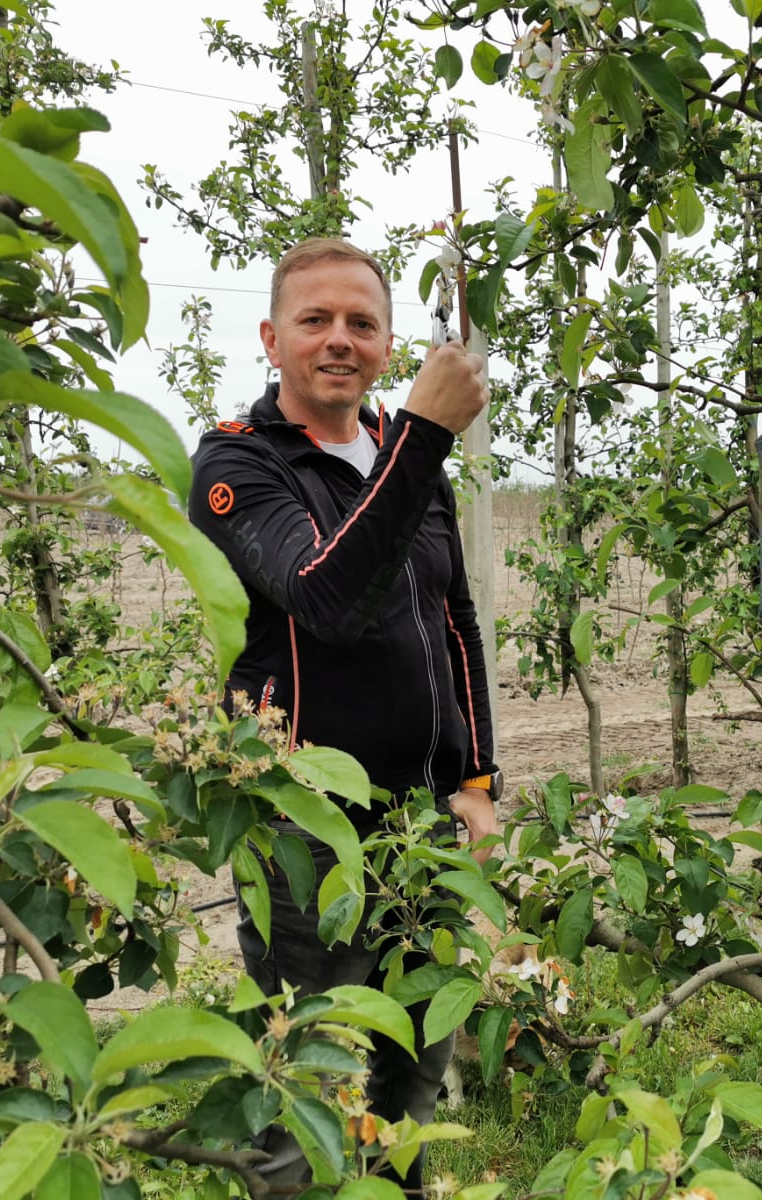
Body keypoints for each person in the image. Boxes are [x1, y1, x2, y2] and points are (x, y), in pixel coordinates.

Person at [187, 237, 500, 1191]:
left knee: (414, 1058)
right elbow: (327, 597)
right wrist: (426, 434)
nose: (338, 340)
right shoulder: (238, 464)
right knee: (302, 1075)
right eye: (315, 320)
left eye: (361, 323)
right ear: (271, 339)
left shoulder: (404, 463)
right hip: (303, 834)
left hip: (424, 824)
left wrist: (477, 779)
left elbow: (455, 620)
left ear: (387, 340)